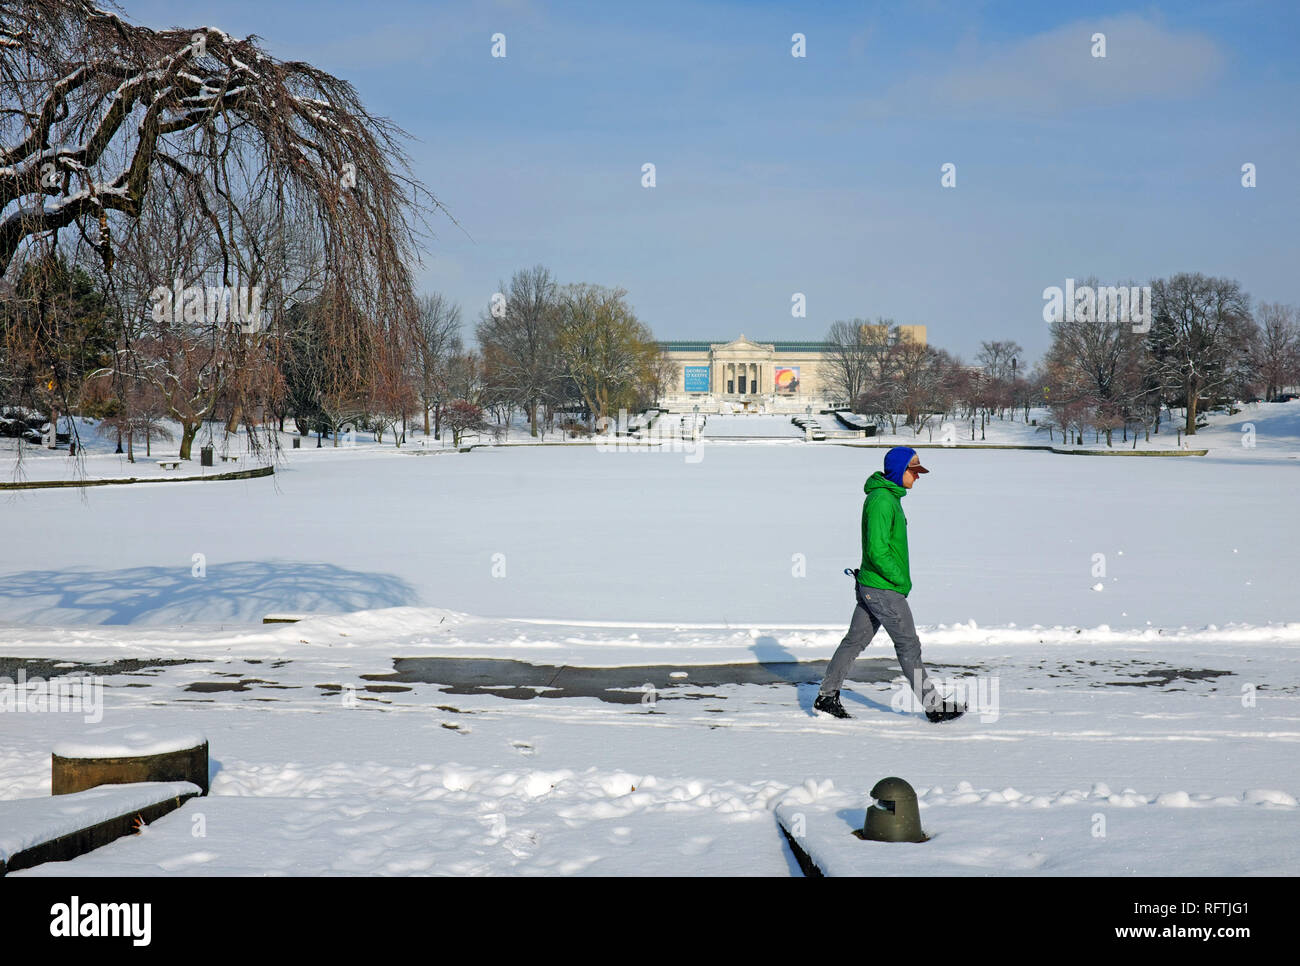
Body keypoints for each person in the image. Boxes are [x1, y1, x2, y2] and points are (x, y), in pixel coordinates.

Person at [814, 446, 965, 723]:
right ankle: (934, 707)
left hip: (874, 585)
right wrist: (899, 579)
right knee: (909, 646)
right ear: (898, 471)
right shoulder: (882, 501)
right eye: (914, 470)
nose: (918, 477)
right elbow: (877, 550)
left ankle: (826, 697)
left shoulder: (888, 498)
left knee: (853, 642)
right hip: (884, 589)